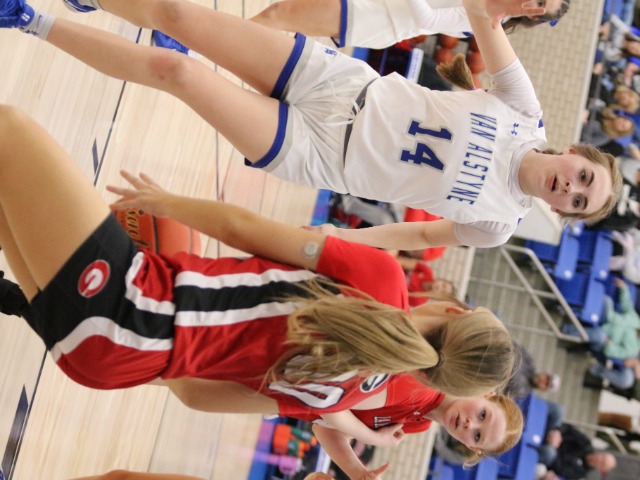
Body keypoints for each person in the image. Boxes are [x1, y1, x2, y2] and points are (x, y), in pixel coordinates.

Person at [0, 105, 517, 442]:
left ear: (456, 311)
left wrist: (166, 202)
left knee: (9, 128)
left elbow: (242, 228)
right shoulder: (352, 397)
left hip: (136, 303)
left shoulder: (383, 281)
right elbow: (197, 395)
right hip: (108, 365)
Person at [0, 0, 622, 251]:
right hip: (340, 84)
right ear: (576, 153)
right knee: (182, 18)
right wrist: (507, 8)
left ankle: (28, 20)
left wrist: (331, 241)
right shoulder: (524, 110)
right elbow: (483, 16)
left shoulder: (497, 225)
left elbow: (412, 236)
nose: (570, 189)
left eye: (577, 202)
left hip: (320, 154)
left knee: (177, 71)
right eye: (582, 179)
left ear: (560, 212)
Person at [150, 373, 523, 478]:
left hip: (285, 400)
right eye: (483, 415)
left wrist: (356, 471)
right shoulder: (421, 385)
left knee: (181, 383)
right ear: (486, 394)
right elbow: (331, 404)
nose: (469, 423)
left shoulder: (417, 425)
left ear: (471, 447)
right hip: (287, 378)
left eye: (477, 435)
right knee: (181, 377)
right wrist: (372, 438)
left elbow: (324, 428)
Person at [251, 0, 570, 49]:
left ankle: (218, 39)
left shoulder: (489, 25)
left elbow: (427, 18)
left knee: (279, 14)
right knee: (278, 15)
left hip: (379, 18)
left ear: (534, 15)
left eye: (541, 1)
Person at [536, 423, 617, 480]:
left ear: (599, 468)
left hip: (549, 456)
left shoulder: (580, 473)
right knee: (558, 411)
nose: (599, 458)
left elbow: (559, 469)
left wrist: (555, 447)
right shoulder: (586, 443)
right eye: (602, 456)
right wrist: (558, 432)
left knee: (549, 453)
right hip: (553, 434)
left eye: (602, 462)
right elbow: (569, 429)